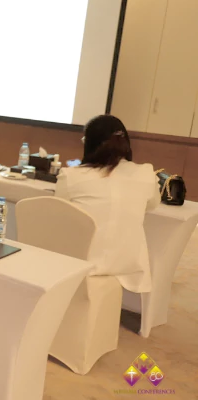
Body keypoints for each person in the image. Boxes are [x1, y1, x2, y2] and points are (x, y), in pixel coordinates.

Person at [55, 115, 159, 292]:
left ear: (89, 143)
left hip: (80, 262)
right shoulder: (146, 173)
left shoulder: (71, 176)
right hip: (127, 263)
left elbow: (59, 211)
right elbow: (152, 205)